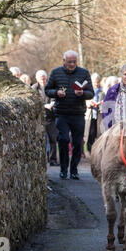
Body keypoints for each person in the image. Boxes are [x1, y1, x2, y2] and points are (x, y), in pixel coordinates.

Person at [45, 50, 94, 180]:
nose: (72, 64)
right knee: (63, 140)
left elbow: (91, 93)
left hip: (78, 113)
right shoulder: (55, 73)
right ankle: (63, 169)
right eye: (69, 62)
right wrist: (56, 92)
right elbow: (47, 90)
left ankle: (74, 169)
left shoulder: (84, 73)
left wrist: (82, 94)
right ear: (64, 61)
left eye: (74, 62)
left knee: (77, 143)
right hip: (62, 113)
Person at [32, 70, 59, 166]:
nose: (43, 80)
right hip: (39, 117)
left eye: (44, 78)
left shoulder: (51, 86)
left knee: (53, 139)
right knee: (40, 139)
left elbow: (55, 98)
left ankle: (53, 159)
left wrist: (52, 103)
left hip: (51, 117)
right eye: (41, 78)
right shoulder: (34, 88)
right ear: (37, 79)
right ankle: (42, 160)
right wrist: (44, 106)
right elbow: (33, 102)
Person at [85, 72, 104, 152]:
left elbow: (105, 102)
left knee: (98, 134)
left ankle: (97, 151)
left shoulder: (102, 92)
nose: (96, 83)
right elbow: (84, 101)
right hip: (90, 115)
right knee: (90, 134)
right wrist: (88, 103)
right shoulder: (88, 90)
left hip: (99, 115)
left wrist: (100, 104)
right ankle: (89, 150)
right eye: (94, 82)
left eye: (97, 82)